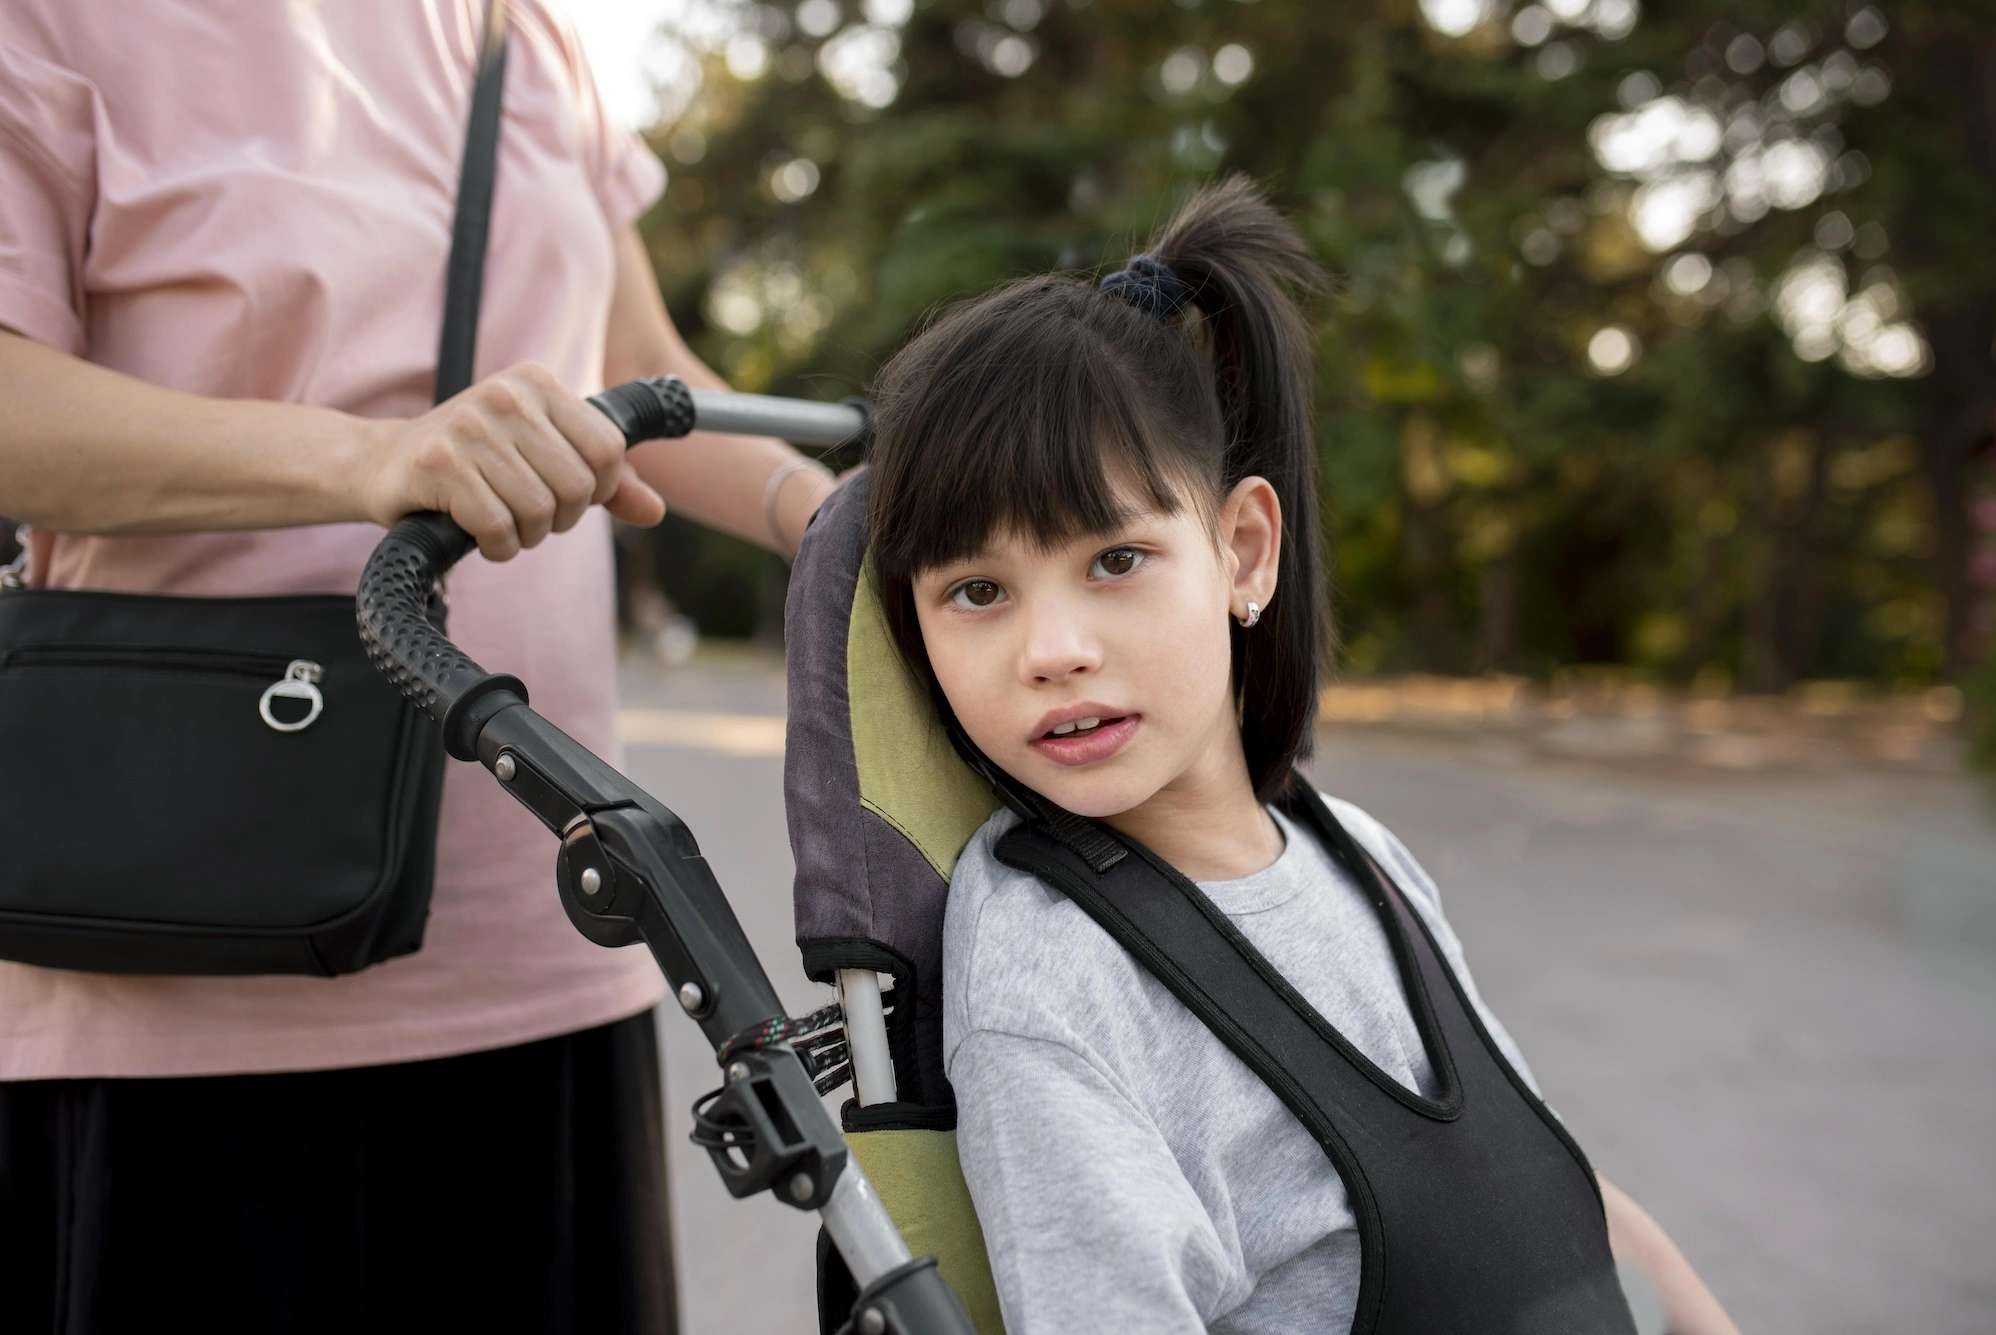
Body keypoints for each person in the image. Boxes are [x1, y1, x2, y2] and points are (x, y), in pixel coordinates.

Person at [0, 3, 832, 1330]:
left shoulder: (518, 29)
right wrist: (366, 455)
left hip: (552, 951)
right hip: (181, 987)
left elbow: (635, 377)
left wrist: (838, 517)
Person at [862, 178, 1742, 1334]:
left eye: (1115, 561)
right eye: (976, 591)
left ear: (1241, 553)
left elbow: (1533, 1179)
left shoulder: (1359, 855)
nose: (1053, 651)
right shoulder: (1049, 974)